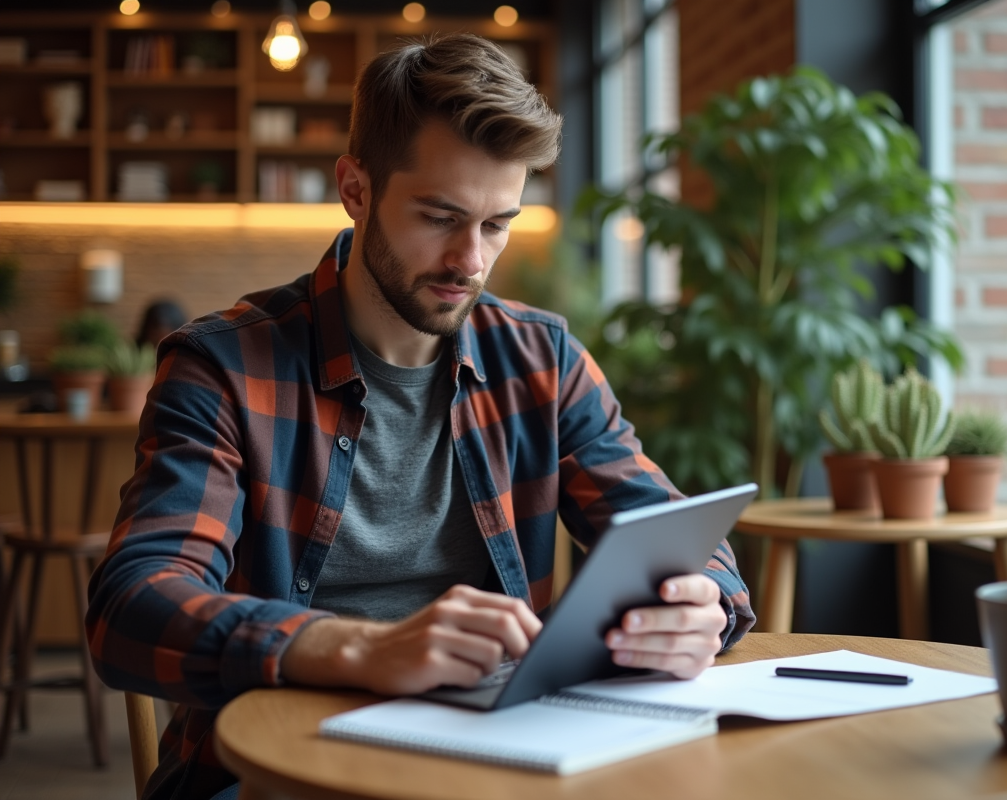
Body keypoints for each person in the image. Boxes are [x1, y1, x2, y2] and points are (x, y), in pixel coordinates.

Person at [86, 34, 754, 800]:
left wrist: (702, 603)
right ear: (355, 188)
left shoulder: (544, 359)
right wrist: (356, 648)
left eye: (498, 224)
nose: (471, 260)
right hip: (276, 770)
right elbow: (130, 607)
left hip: (499, 764)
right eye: (440, 216)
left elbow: (680, 537)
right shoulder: (224, 367)